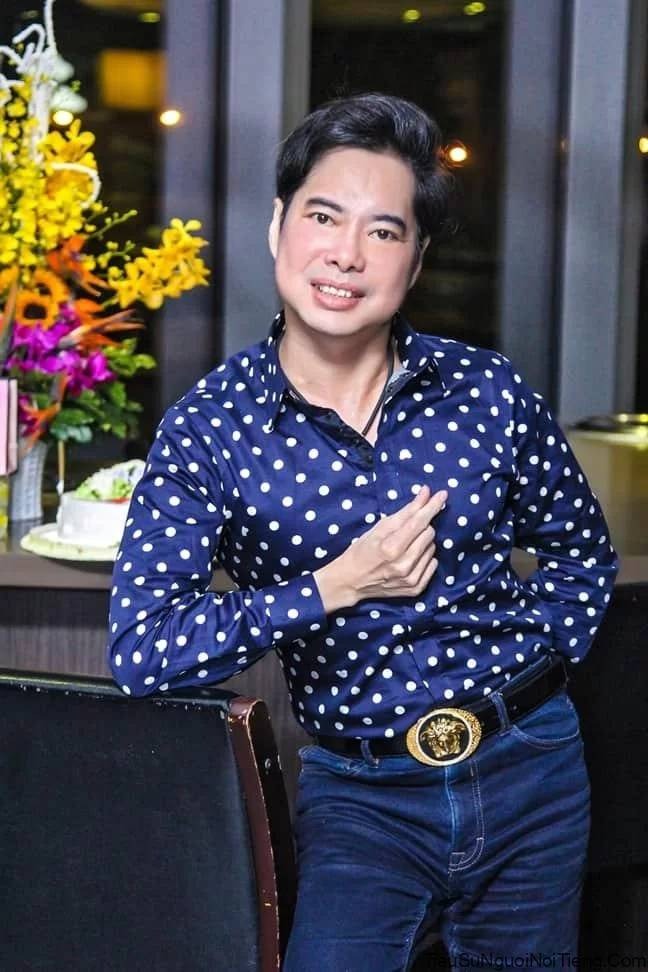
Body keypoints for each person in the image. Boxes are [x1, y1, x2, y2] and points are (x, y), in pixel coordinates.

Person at [108, 93, 618, 969]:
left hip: (531, 767)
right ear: (279, 225)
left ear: (415, 261)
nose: (346, 253)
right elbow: (144, 649)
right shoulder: (210, 428)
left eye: (384, 231)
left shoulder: (486, 391)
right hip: (361, 794)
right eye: (323, 216)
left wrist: (540, 668)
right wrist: (332, 586)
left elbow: (581, 553)